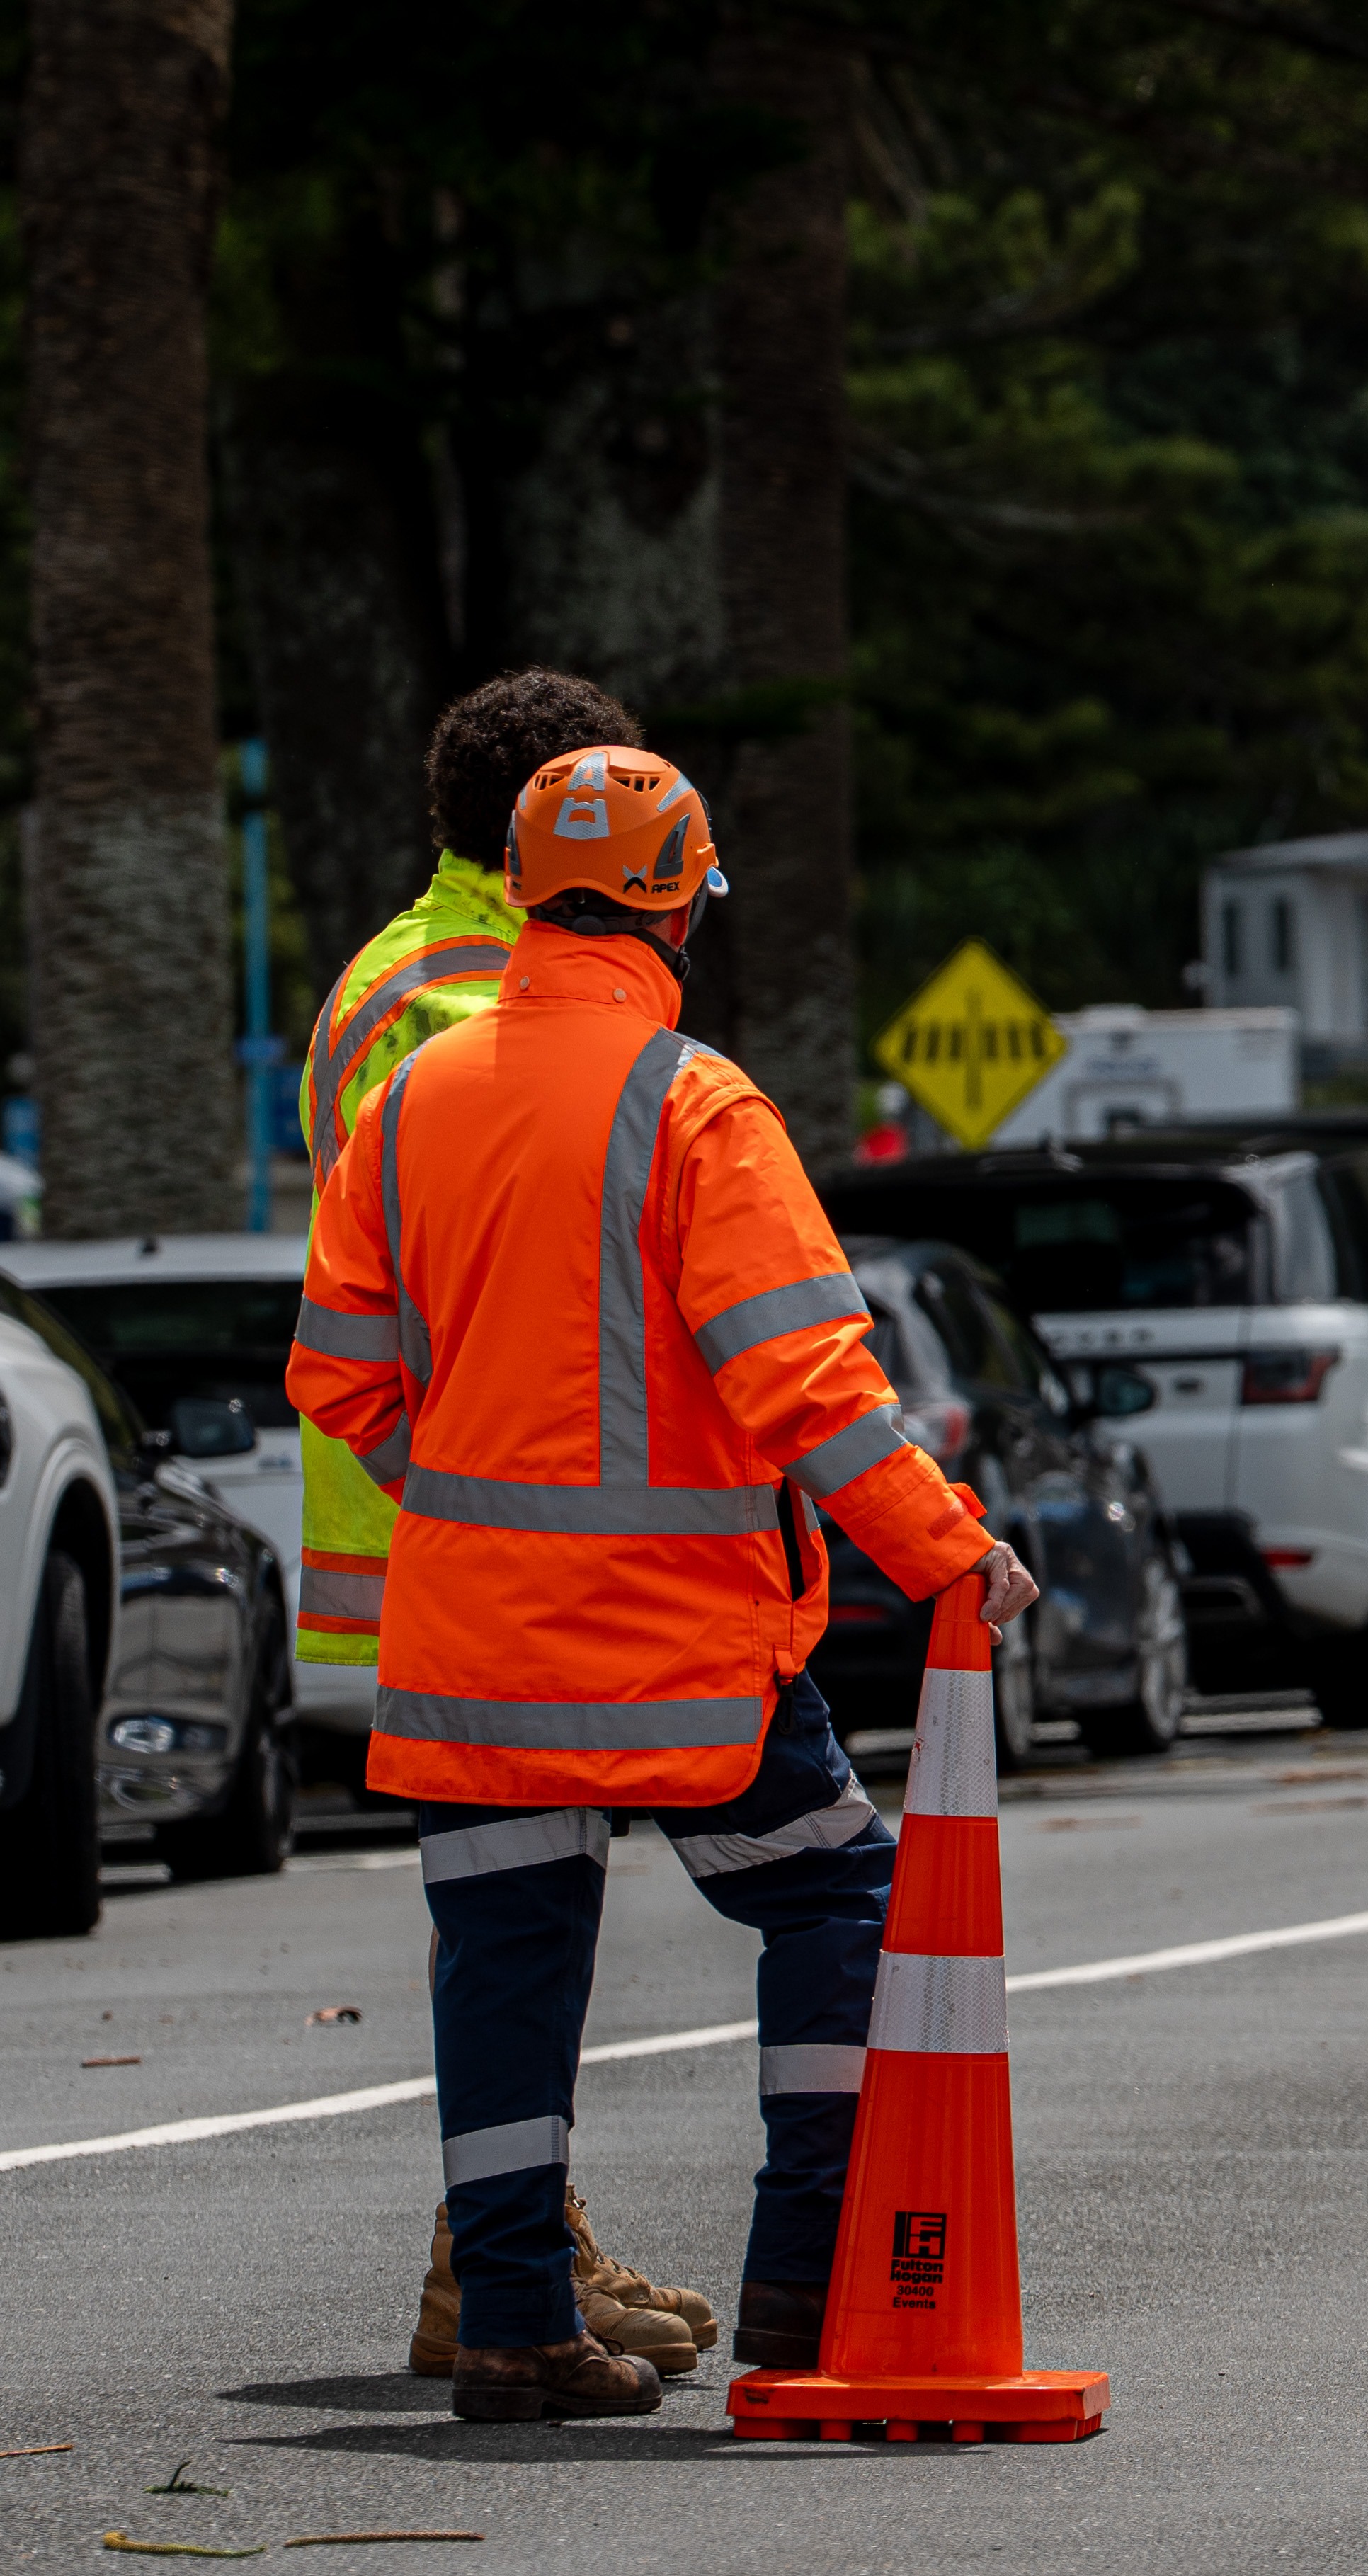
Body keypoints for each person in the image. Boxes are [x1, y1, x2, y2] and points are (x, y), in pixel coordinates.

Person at [287, 745, 1034, 2423]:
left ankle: (510, 2323)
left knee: (506, 1961)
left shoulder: (414, 1100)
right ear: (677, 900)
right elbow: (812, 1387)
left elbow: (338, 1375)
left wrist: (475, 1508)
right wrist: (947, 1554)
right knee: (835, 1896)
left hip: (472, 1652)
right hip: (673, 1660)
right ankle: (803, 2268)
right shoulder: (694, 1105)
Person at [295, 673, 726, 2386]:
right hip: (476, 1528)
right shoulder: (459, 997)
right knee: (515, 1913)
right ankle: (496, 2266)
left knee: (519, 1907)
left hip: (450, 1516)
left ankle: (517, 2244)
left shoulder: (413, 974)